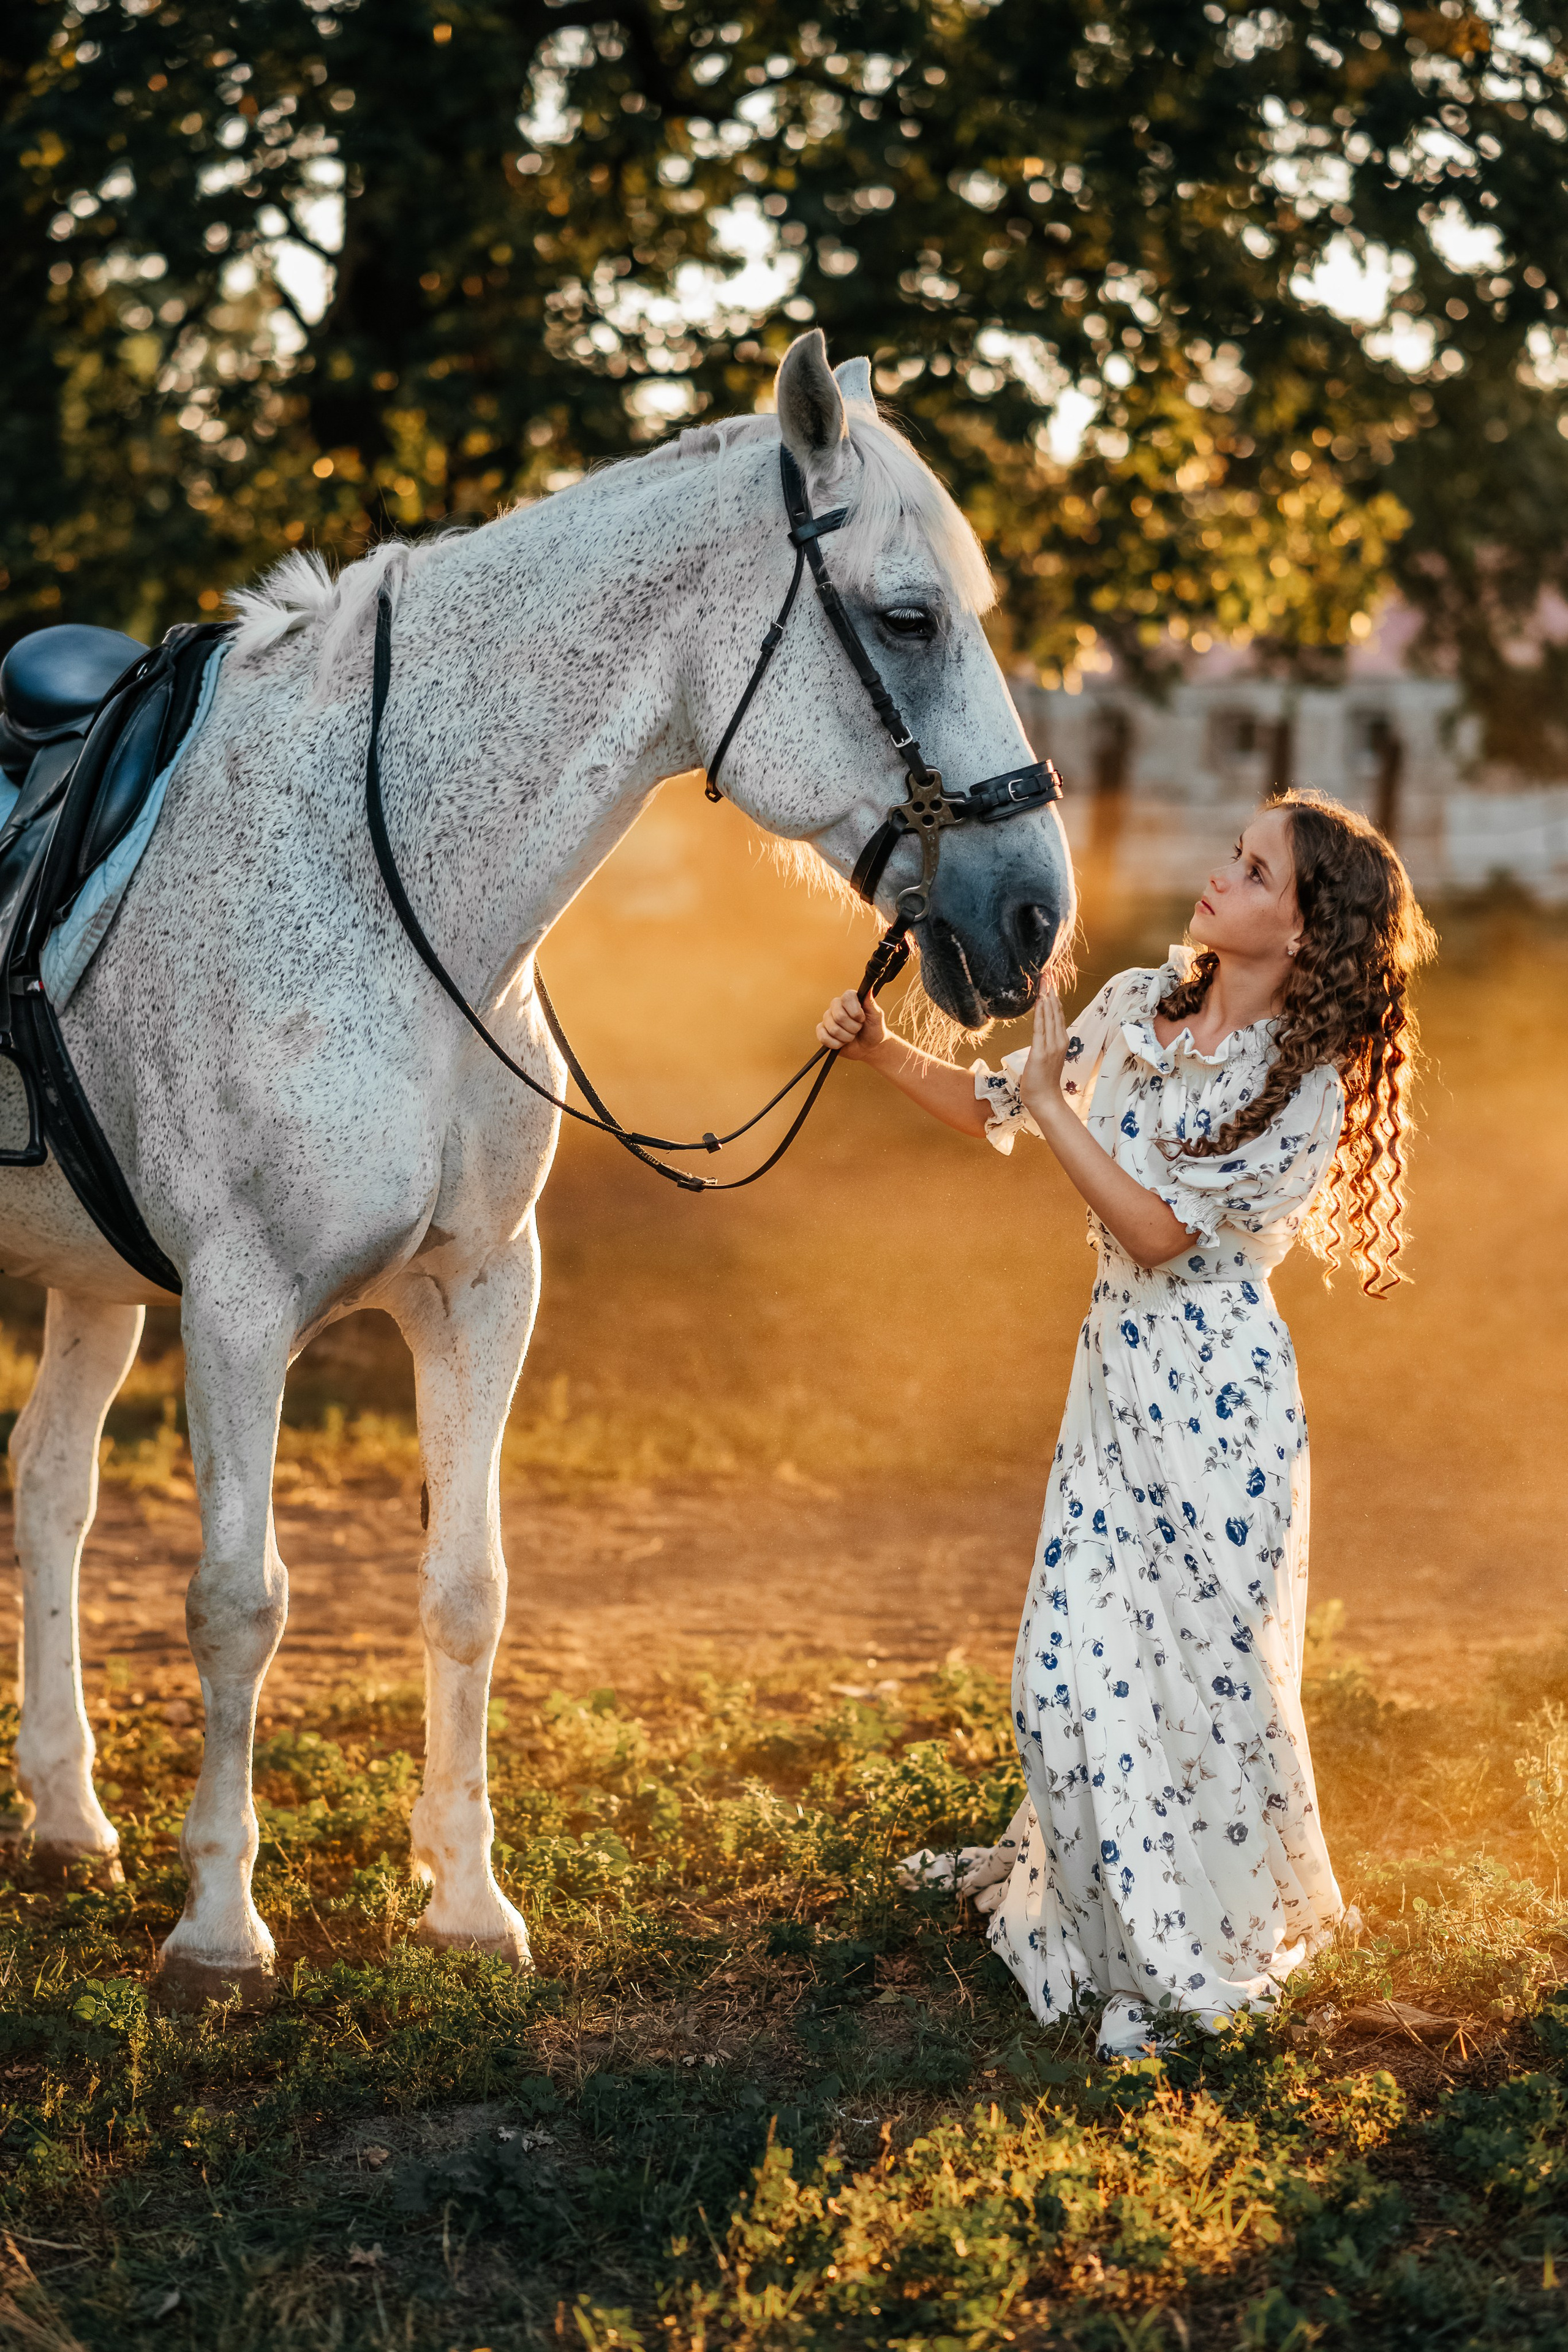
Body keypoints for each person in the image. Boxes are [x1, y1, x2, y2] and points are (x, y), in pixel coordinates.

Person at [817, 791, 1434, 2057]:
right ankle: (1102, 1920)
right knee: (1058, 1682)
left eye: (1253, 872)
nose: (1218, 877)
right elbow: (999, 1101)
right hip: (1112, 1390)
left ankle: (1174, 1954)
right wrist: (883, 1052)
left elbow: (1155, 1233)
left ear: (1306, 933)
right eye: (1232, 854)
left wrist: (1055, 1108)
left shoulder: (1304, 1088)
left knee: (1202, 1697)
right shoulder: (1137, 1006)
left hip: (1220, 1413)